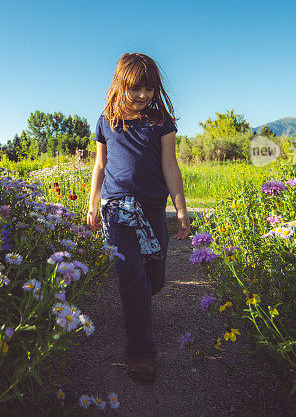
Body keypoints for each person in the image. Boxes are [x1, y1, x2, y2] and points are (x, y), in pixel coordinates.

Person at [86, 52, 190, 384]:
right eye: (136, 89)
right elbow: (100, 165)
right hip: (116, 207)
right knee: (130, 276)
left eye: (149, 88)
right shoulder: (107, 120)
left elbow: (170, 165)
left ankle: (140, 303)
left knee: (152, 277)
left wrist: (181, 207)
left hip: (152, 206)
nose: (143, 95)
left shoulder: (160, 121)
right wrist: (92, 204)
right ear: (121, 85)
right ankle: (141, 352)